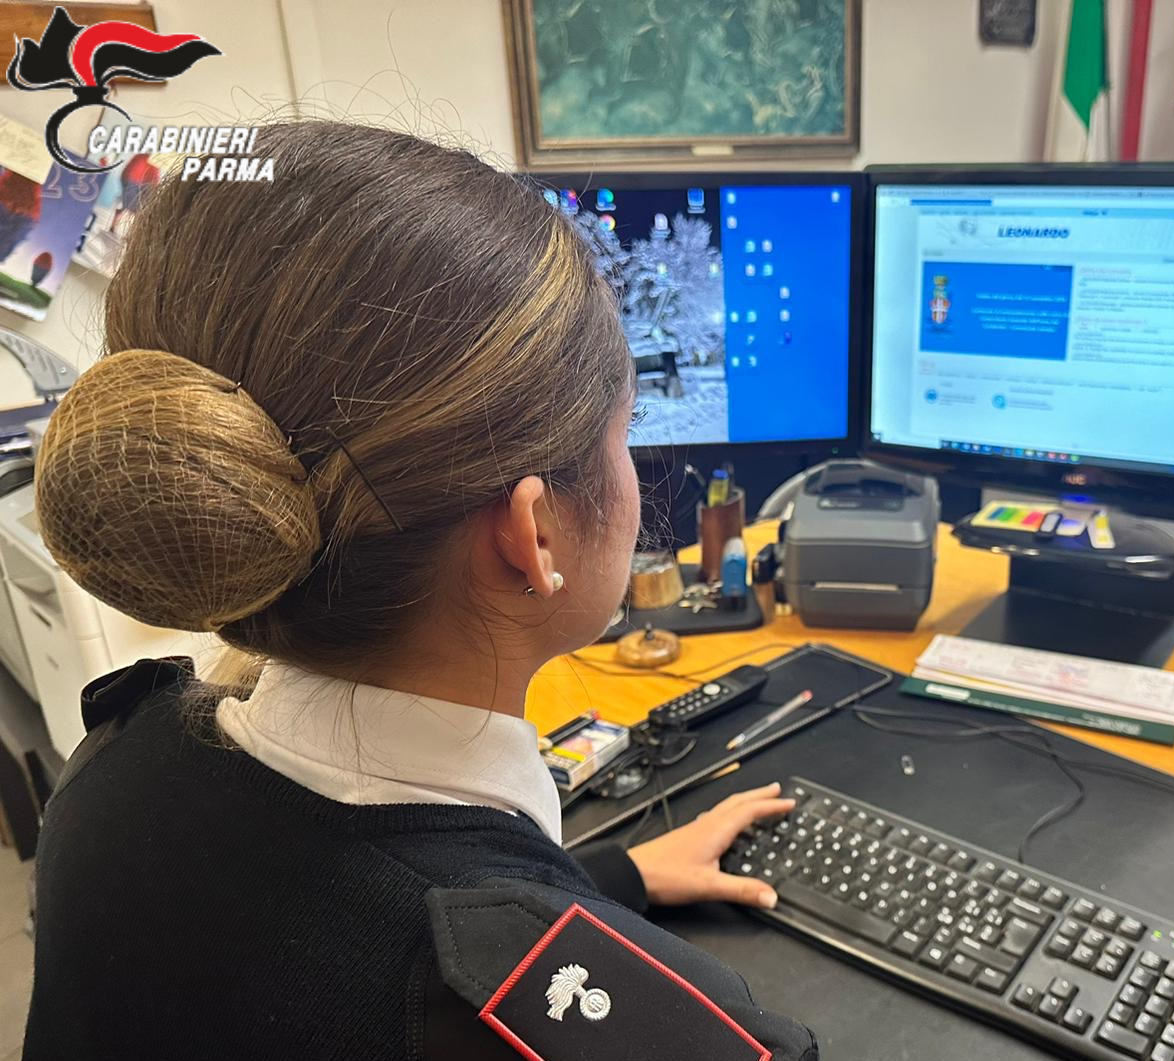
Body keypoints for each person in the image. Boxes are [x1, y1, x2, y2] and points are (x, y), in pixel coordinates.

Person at [23, 120, 814, 1060]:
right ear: (535, 534)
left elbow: (324, 929)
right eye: (626, 428)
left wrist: (604, 882)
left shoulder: (112, 766)